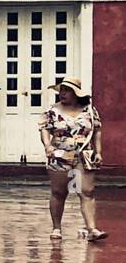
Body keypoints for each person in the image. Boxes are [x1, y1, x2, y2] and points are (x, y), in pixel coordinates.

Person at [39, 78, 106, 242]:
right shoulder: (52, 111)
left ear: (76, 93)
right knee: (59, 192)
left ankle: (92, 228)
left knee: (87, 191)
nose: (62, 94)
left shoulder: (89, 110)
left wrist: (98, 151)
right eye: (61, 90)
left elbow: (97, 131)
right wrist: (48, 146)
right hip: (60, 154)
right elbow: (44, 130)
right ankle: (56, 227)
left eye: (67, 90)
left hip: (83, 154)